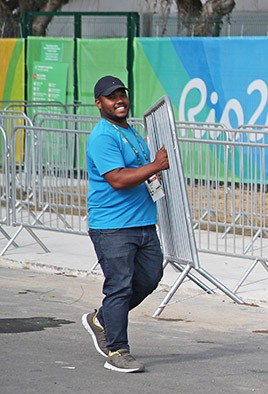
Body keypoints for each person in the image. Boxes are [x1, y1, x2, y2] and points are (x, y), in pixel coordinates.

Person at [81, 75, 169, 373]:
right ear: (99, 104)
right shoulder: (103, 136)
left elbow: (140, 173)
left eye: (122, 94)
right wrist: (154, 166)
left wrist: (153, 174)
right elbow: (117, 179)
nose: (119, 100)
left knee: (149, 278)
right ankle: (117, 350)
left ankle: (103, 319)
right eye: (111, 96)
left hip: (144, 223)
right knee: (119, 286)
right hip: (113, 226)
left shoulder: (129, 132)